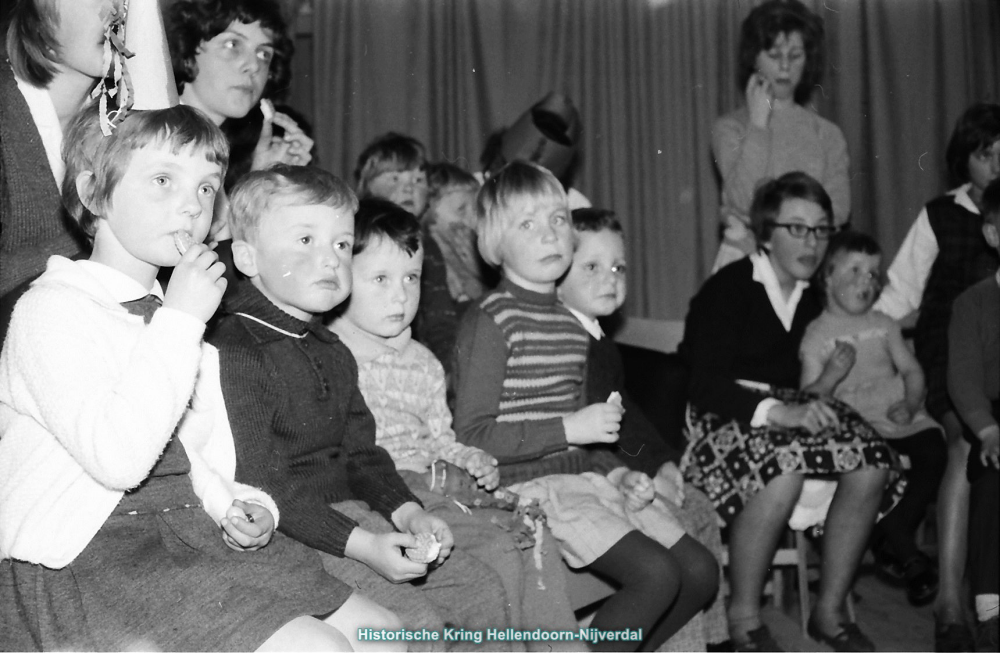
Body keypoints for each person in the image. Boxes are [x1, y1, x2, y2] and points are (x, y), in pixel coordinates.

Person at [0, 104, 387, 651]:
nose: (191, 205)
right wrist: (182, 320)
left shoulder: (178, 318)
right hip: (87, 557)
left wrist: (237, 504)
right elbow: (119, 459)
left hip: (182, 530)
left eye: (207, 189)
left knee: (387, 635)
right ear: (93, 192)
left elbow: (195, 460)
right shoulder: (53, 310)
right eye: (163, 180)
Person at [210, 164, 511, 649]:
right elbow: (263, 487)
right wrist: (368, 545)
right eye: (306, 241)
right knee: (418, 626)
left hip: (354, 521)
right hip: (293, 535)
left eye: (342, 245)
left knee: (481, 590)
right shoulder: (237, 347)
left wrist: (409, 514)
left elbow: (364, 456)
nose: (330, 260)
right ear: (247, 257)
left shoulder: (332, 349)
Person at [452, 160, 698, 652]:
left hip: (580, 481)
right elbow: (472, 437)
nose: (549, 236)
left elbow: (590, 442)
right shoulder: (491, 320)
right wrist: (569, 427)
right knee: (656, 575)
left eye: (558, 220)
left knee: (697, 571)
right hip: (526, 490)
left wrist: (618, 475)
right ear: (495, 243)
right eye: (528, 224)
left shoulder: (571, 326)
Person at [328, 197, 580, 649]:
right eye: (381, 279)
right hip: (391, 493)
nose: (401, 295)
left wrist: (473, 458)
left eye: (411, 278)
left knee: (534, 530)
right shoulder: (333, 355)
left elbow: (441, 438)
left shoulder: (423, 361)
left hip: (438, 480)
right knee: (499, 550)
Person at [680, 172, 898, 652]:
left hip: (792, 413)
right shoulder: (728, 289)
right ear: (764, 232)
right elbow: (704, 383)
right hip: (724, 417)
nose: (812, 242)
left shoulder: (816, 297)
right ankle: (743, 617)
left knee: (872, 461)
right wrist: (777, 412)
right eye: (797, 228)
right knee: (783, 470)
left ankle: (828, 609)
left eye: (821, 229)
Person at [557, 207, 728, 650]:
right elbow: (599, 433)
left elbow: (626, 416)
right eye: (591, 267)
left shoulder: (598, 340)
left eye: (618, 267)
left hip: (612, 468)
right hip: (584, 477)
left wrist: (662, 462)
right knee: (685, 538)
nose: (610, 278)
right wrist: (644, 471)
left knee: (697, 526)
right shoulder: (569, 343)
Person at [874, 102, 1000, 652]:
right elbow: (895, 300)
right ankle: (951, 602)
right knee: (962, 445)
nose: (998, 164)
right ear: (963, 160)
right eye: (985, 154)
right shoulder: (938, 216)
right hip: (954, 355)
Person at [800, 230, 944, 607]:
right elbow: (807, 397)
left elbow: (913, 371)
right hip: (859, 428)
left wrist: (912, 403)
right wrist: (831, 375)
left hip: (899, 415)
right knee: (875, 467)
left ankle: (896, 528)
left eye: (873, 273)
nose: (867, 281)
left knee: (934, 448)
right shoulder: (816, 336)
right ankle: (906, 551)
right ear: (827, 277)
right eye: (856, 270)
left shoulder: (884, 324)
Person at [711, 0, 850, 273]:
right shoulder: (729, 128)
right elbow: (742, 200)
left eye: (796, 55)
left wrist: (770, 222)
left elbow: (838, 210)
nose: (785, 66)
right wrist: (759, 126)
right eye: (774, 55)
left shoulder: (828, 134)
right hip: (745, 264)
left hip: (809, 264)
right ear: (754, 58)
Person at [354, 133, 459, 374]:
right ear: (367, 185)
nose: (410, 186)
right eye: (394, 177)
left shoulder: (427, 247)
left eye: (419, 179)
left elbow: (440, 319)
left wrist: (450, 372)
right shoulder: (351, 237)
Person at [947, 178, 999, 652]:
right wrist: (987, 430)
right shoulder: (974, 304)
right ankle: (991, 609)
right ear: (993, 234)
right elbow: (963, 379)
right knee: (992, 477)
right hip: (995, 418)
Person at [424, 162, 496, 306]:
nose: (473, 220)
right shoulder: (427, 265)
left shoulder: (482, 253)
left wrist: (478, 272)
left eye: (476, 210)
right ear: (429, 213)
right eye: (461, 209)